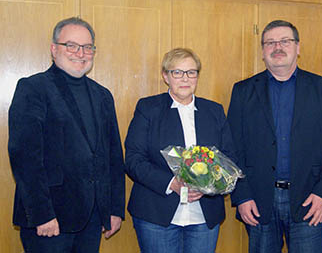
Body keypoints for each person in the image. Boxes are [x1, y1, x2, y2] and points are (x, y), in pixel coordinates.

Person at [8, 17, 125, 252]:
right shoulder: (33, 88)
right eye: (71, 45)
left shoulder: (103, 95)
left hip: (92, 218)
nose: (80, 53)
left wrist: (114, 209)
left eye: (87, 47)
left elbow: (113, 156)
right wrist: (41, 214)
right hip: (50, 220)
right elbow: (25, 158)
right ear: (54, 49)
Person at [227, 20, 322, 253]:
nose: (277, 47)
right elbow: (233, 149)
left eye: (285, 41)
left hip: (309, 199)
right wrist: (241, 196)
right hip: (258, 201)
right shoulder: (243, 91)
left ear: (298, 47)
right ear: (263, 51)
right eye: (270, 42)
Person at [124, 48, 235, 253]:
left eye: (191, 72)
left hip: (204, 217)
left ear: (197, 76)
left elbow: (228, 158)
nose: (185, 78)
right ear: (165, 76)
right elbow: (133, 159)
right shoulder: (148, 108)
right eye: (177, 72)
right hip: (156, 215)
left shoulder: (214, 110)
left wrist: (209, 184)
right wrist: (172, 184)